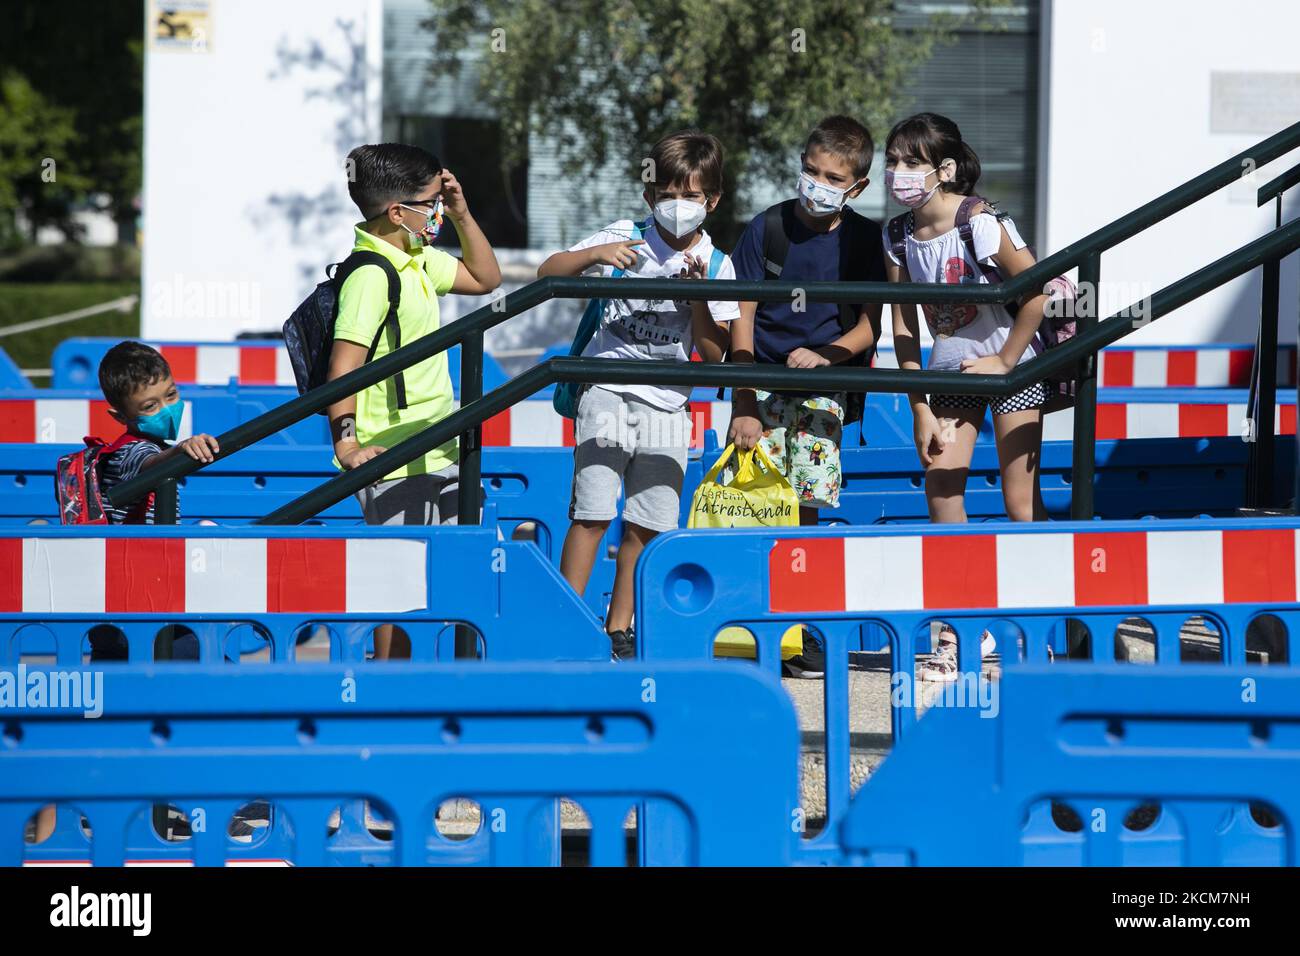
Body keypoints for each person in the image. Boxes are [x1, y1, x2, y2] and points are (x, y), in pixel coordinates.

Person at [541, 130, 739, 660]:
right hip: (607, 387)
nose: (680, 205)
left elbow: (715, 355)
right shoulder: (625, 234)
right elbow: (548, 271)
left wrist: (698, 297)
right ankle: (564, 620)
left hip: (670, 404)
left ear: (712, 201)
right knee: (592, 512)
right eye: (669, 193)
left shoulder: (719, 264)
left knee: (649, 523)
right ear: (651, 196)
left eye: (692, 195)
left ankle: (617, 626)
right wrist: (596, 254)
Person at [715, 115, 886, 679]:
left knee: (804, 514)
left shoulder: (865, 239)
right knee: (752, 505)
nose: (816, 184)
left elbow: (869, 327)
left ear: (856, 187)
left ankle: (800, 632)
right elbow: (740, 312)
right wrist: (742, 400)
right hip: (760, 385)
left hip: (823, 396)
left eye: (831, 177)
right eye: (810, 171)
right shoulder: (767, 227)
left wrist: (830, 354)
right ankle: (748, 629)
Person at [882, 112, 1051, 682]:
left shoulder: (980, 221)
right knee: (942, 483)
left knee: (1019, 500)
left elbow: (1037, 290)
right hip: (950, 369)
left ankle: (1037, 628)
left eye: (911, 162)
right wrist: (919, 403)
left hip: (1011, 366)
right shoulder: (896, 235)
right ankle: (963, 626)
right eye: (893, 161)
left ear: (944, 169)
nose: (897, 172)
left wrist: (1005, 361)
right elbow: (903, 323)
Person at [329, 143, 501, 659]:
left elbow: (486, 279)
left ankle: (429, 680)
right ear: (398, 212)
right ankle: (388, 678)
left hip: (436, 445)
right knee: (400, 584)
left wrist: (465, 213)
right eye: (433, 203)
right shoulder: (370, 276)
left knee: (445, 575)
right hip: (392, 455)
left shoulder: (417, 258)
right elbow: (343, 368)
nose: (440, 212)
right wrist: (348, 446)